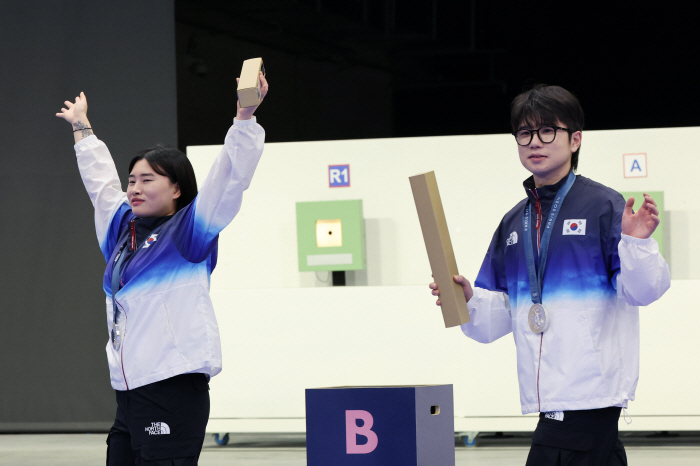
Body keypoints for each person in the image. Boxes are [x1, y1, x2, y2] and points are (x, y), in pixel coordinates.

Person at [429, 84, 670, 465]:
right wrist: (468, 299)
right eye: (524, 133)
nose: (534, 142)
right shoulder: (514, 221)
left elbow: (643, 291)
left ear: (575, 139)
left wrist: (636, 243)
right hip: (547, 399)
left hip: (593, 393)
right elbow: (497, 319)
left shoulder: (604, 204)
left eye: (547, 131)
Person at [56, 72, 268, 465]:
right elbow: (101, 185)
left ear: (176, 189)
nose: (133, 187)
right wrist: (83, 129)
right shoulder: (122, 230)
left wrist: (245, 117)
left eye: (147, 179)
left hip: (173, 388)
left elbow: (229, 180)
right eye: (132, 179)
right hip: (129, 392)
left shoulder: (191, 230)